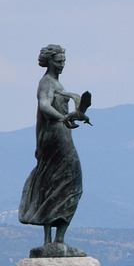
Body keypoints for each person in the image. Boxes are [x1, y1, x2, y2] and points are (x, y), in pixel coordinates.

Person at [18, 44, 90, 247]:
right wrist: (64, 117)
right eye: (58, 61)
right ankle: (55, 239)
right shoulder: (46, 83)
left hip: (59, 135)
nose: (62, 65)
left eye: (63, 62)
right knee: (71, 181)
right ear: (49, 61)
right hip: (57, 136)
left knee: (54, 180)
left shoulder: (55, 83)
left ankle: (54, 240)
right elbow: (44, 105)